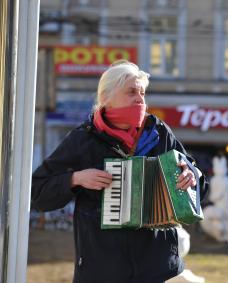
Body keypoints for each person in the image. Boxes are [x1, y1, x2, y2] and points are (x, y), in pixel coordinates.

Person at [31, 60, 208, 283]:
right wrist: (75, 179)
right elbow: (37, 192)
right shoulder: (83, 139)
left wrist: (192, 176)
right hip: (102, 269)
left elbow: (200, 186)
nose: (139, 98)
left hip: (158, 268)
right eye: (131, 92)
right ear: (106, 97)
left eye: (142, 92)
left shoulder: (159, 132)